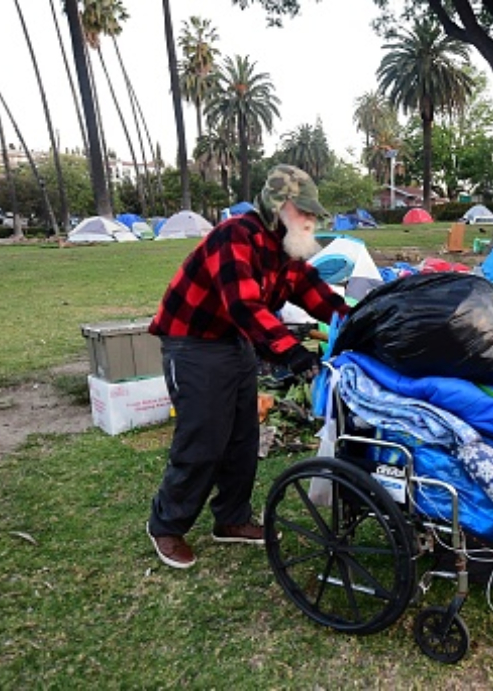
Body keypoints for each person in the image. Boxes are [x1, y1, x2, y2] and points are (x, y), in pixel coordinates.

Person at [146, 164, 350, 570]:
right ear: (277, 207)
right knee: (203, 437)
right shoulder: (235, 235)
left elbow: (312, 291)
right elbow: (243, 305)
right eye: (303, 211)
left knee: (242, 436)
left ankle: (232, 519)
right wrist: (291, 351)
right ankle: (166, 525)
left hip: (234, 340)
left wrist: (353, 319)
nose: (311, 220)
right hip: (193, 342)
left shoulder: (285, 249)